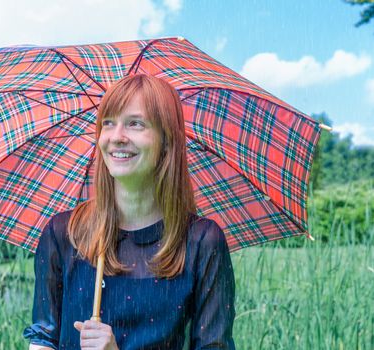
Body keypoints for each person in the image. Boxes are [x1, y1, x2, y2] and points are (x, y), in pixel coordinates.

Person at [24, 74, 236, 349]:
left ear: (167, 141)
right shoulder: (63, 234)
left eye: (135, 124)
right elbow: (43, 338)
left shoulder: (201, 242)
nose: (116, 137)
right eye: (108, 123)